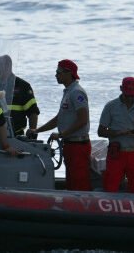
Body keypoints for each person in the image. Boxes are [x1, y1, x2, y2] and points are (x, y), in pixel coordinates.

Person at [28, 59, 91, 191]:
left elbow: (83, 119)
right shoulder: (68, 92)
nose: (56, 75)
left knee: (79, 182)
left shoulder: (76, 93)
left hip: (78, 146)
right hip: (70, 145)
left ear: (69, 73)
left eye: (58, 72)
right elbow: (58, 119)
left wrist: (61, 134)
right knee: (72, 181)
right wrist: (37, 130)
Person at [97, 77, 134, 193]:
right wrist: (118, 133)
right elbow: (101, 131)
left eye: (132, 96)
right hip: (116, 153)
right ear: (121, 89)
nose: (130, 99)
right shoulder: (110, 106)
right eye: (128, 95)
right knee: (110, 186)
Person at [0, 55, 40, 139]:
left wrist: (32, 133)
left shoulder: (23, 86)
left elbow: (33, 112)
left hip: (16, 136)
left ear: (8, 66)